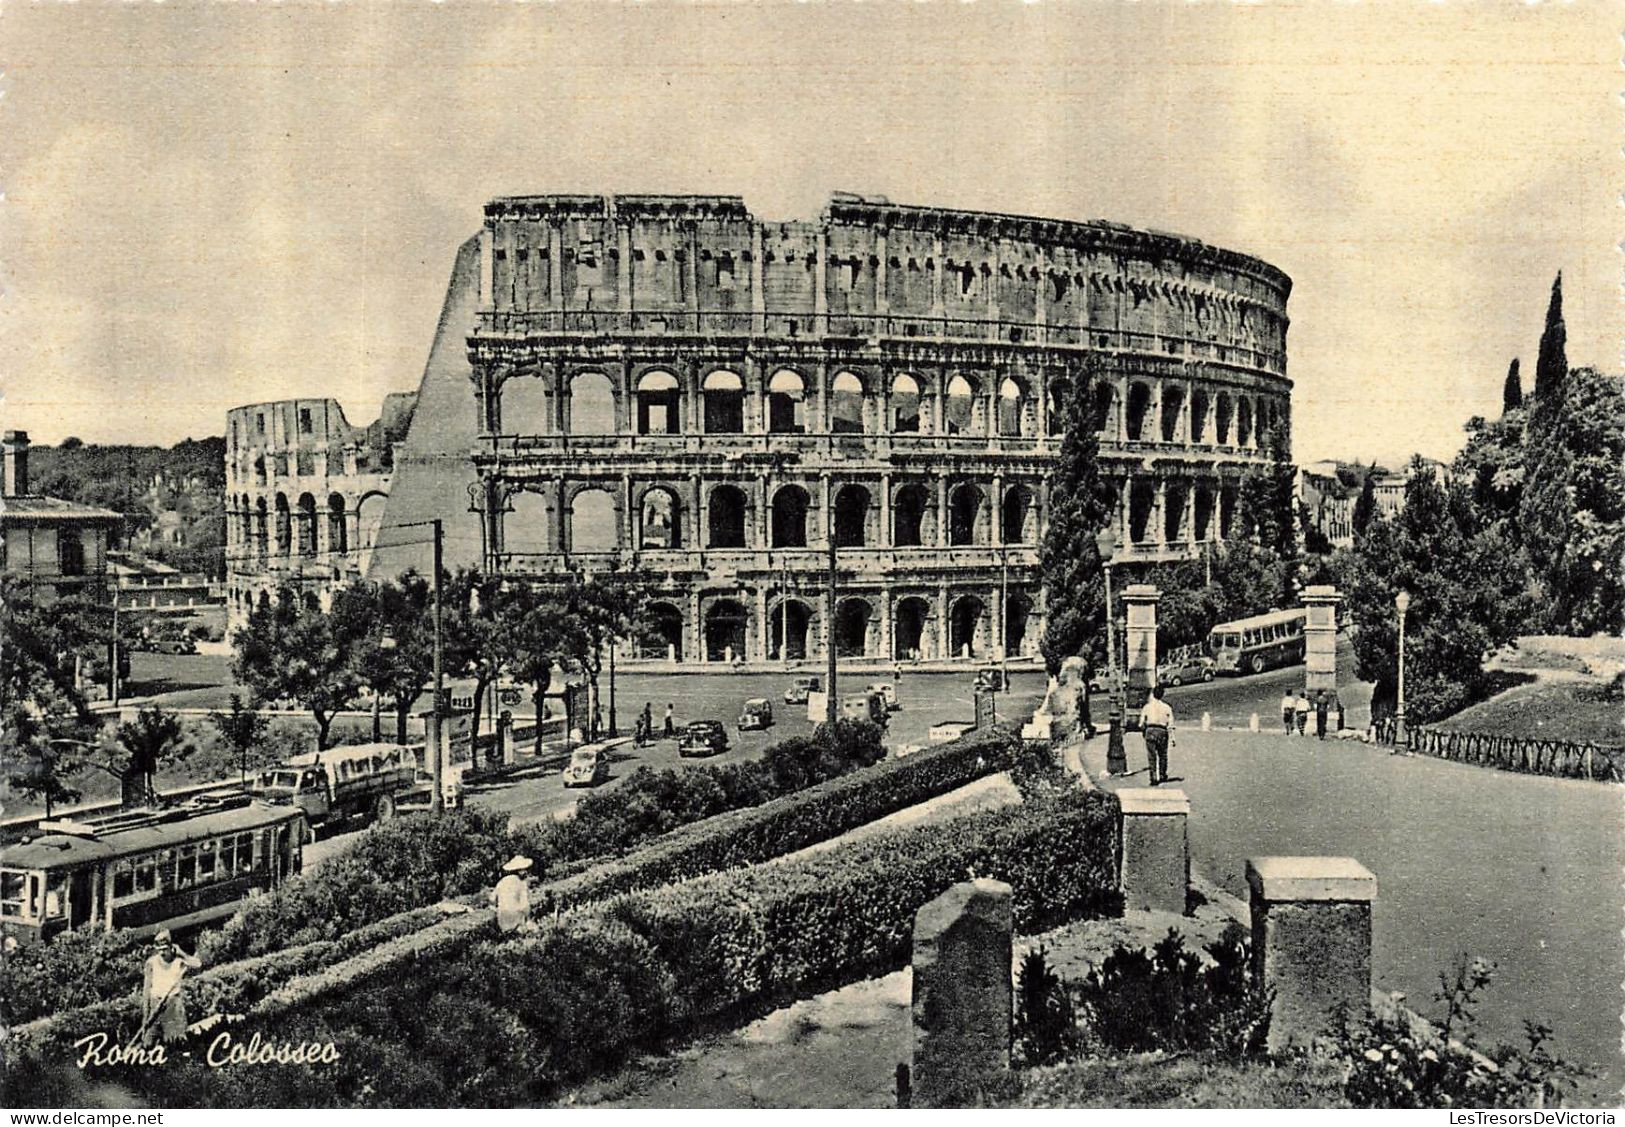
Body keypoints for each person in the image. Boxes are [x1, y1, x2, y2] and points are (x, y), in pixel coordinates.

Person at [141, 929, 201, 1047]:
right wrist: (145, 1016)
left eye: (164, 949)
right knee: (148, 1044)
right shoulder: (151, 963)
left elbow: (198, 964)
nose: (162, 953)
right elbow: (146, 991)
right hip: (155, 1005)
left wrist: (182, 953)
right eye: (159, 950)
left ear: (171, 947)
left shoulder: (179, 960)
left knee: (176, 1043)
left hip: (173, 1006)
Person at [1140, 686, 1174, 785]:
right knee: (1163, 754)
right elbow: (1170, 724)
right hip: (1162, 730)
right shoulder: (1167, 707)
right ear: (1162, 695)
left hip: (1150, 730)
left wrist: (1144, 731)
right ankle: (1162, 774)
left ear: (1153, 694)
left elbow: (1141, 723)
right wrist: (1172, 738)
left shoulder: (1147, 707)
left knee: (1151, 755)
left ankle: (1153, 777)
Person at [492, 855, 533, 934]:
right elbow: (525, 905)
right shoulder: (521, 883)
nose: (526, 872)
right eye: (524, 870)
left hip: (502, 920)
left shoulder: (501, 882)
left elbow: (492, 899)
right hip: (516, 918)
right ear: (519, 871)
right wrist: (529, 920)